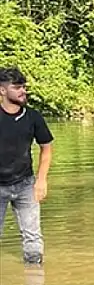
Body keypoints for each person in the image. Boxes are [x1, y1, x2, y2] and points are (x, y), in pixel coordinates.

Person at [0, 67, 53, 265]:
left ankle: (35, 282)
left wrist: (41, 180)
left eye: (24, 87)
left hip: (25, 184)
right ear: (3, 91)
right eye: (17, 87)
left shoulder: (33, 117)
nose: (23, 91)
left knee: (33, 239)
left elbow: (46, 148)